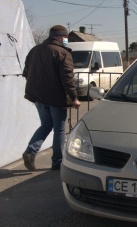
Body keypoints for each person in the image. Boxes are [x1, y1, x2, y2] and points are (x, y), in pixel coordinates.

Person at [22, 25, 81, 171]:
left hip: (38, 97)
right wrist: (74, 98)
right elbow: (67, 78)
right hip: (56, 97)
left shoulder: (34, 51)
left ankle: (30, 151)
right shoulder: (62, 52)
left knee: (46, 125)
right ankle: (57, 162)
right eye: (66, 37)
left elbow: (26, 73)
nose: (66, 40)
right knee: (59, 129)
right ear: (60, 37)